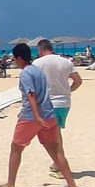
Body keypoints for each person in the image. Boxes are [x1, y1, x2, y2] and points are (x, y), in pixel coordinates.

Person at [0, 43, 82, 187]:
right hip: (49, 114)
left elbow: (31, 95)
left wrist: (36, 115)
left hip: (32, 117)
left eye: (14, 58)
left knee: (16, 147)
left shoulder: (27, 73)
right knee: (55, 151)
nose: (13, 61)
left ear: (19, 58)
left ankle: (10, 184)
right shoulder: (38, 71)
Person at [33, 39, 82, 173]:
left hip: (48, 103)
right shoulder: (66, 62)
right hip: (64, 103)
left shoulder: (37, 63)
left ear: (41, 50)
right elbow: (78, 81)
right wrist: (68, 91)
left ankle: (60, 166)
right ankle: (57, 164)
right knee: (56, 134)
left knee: (50, 138)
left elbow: (33, 86)